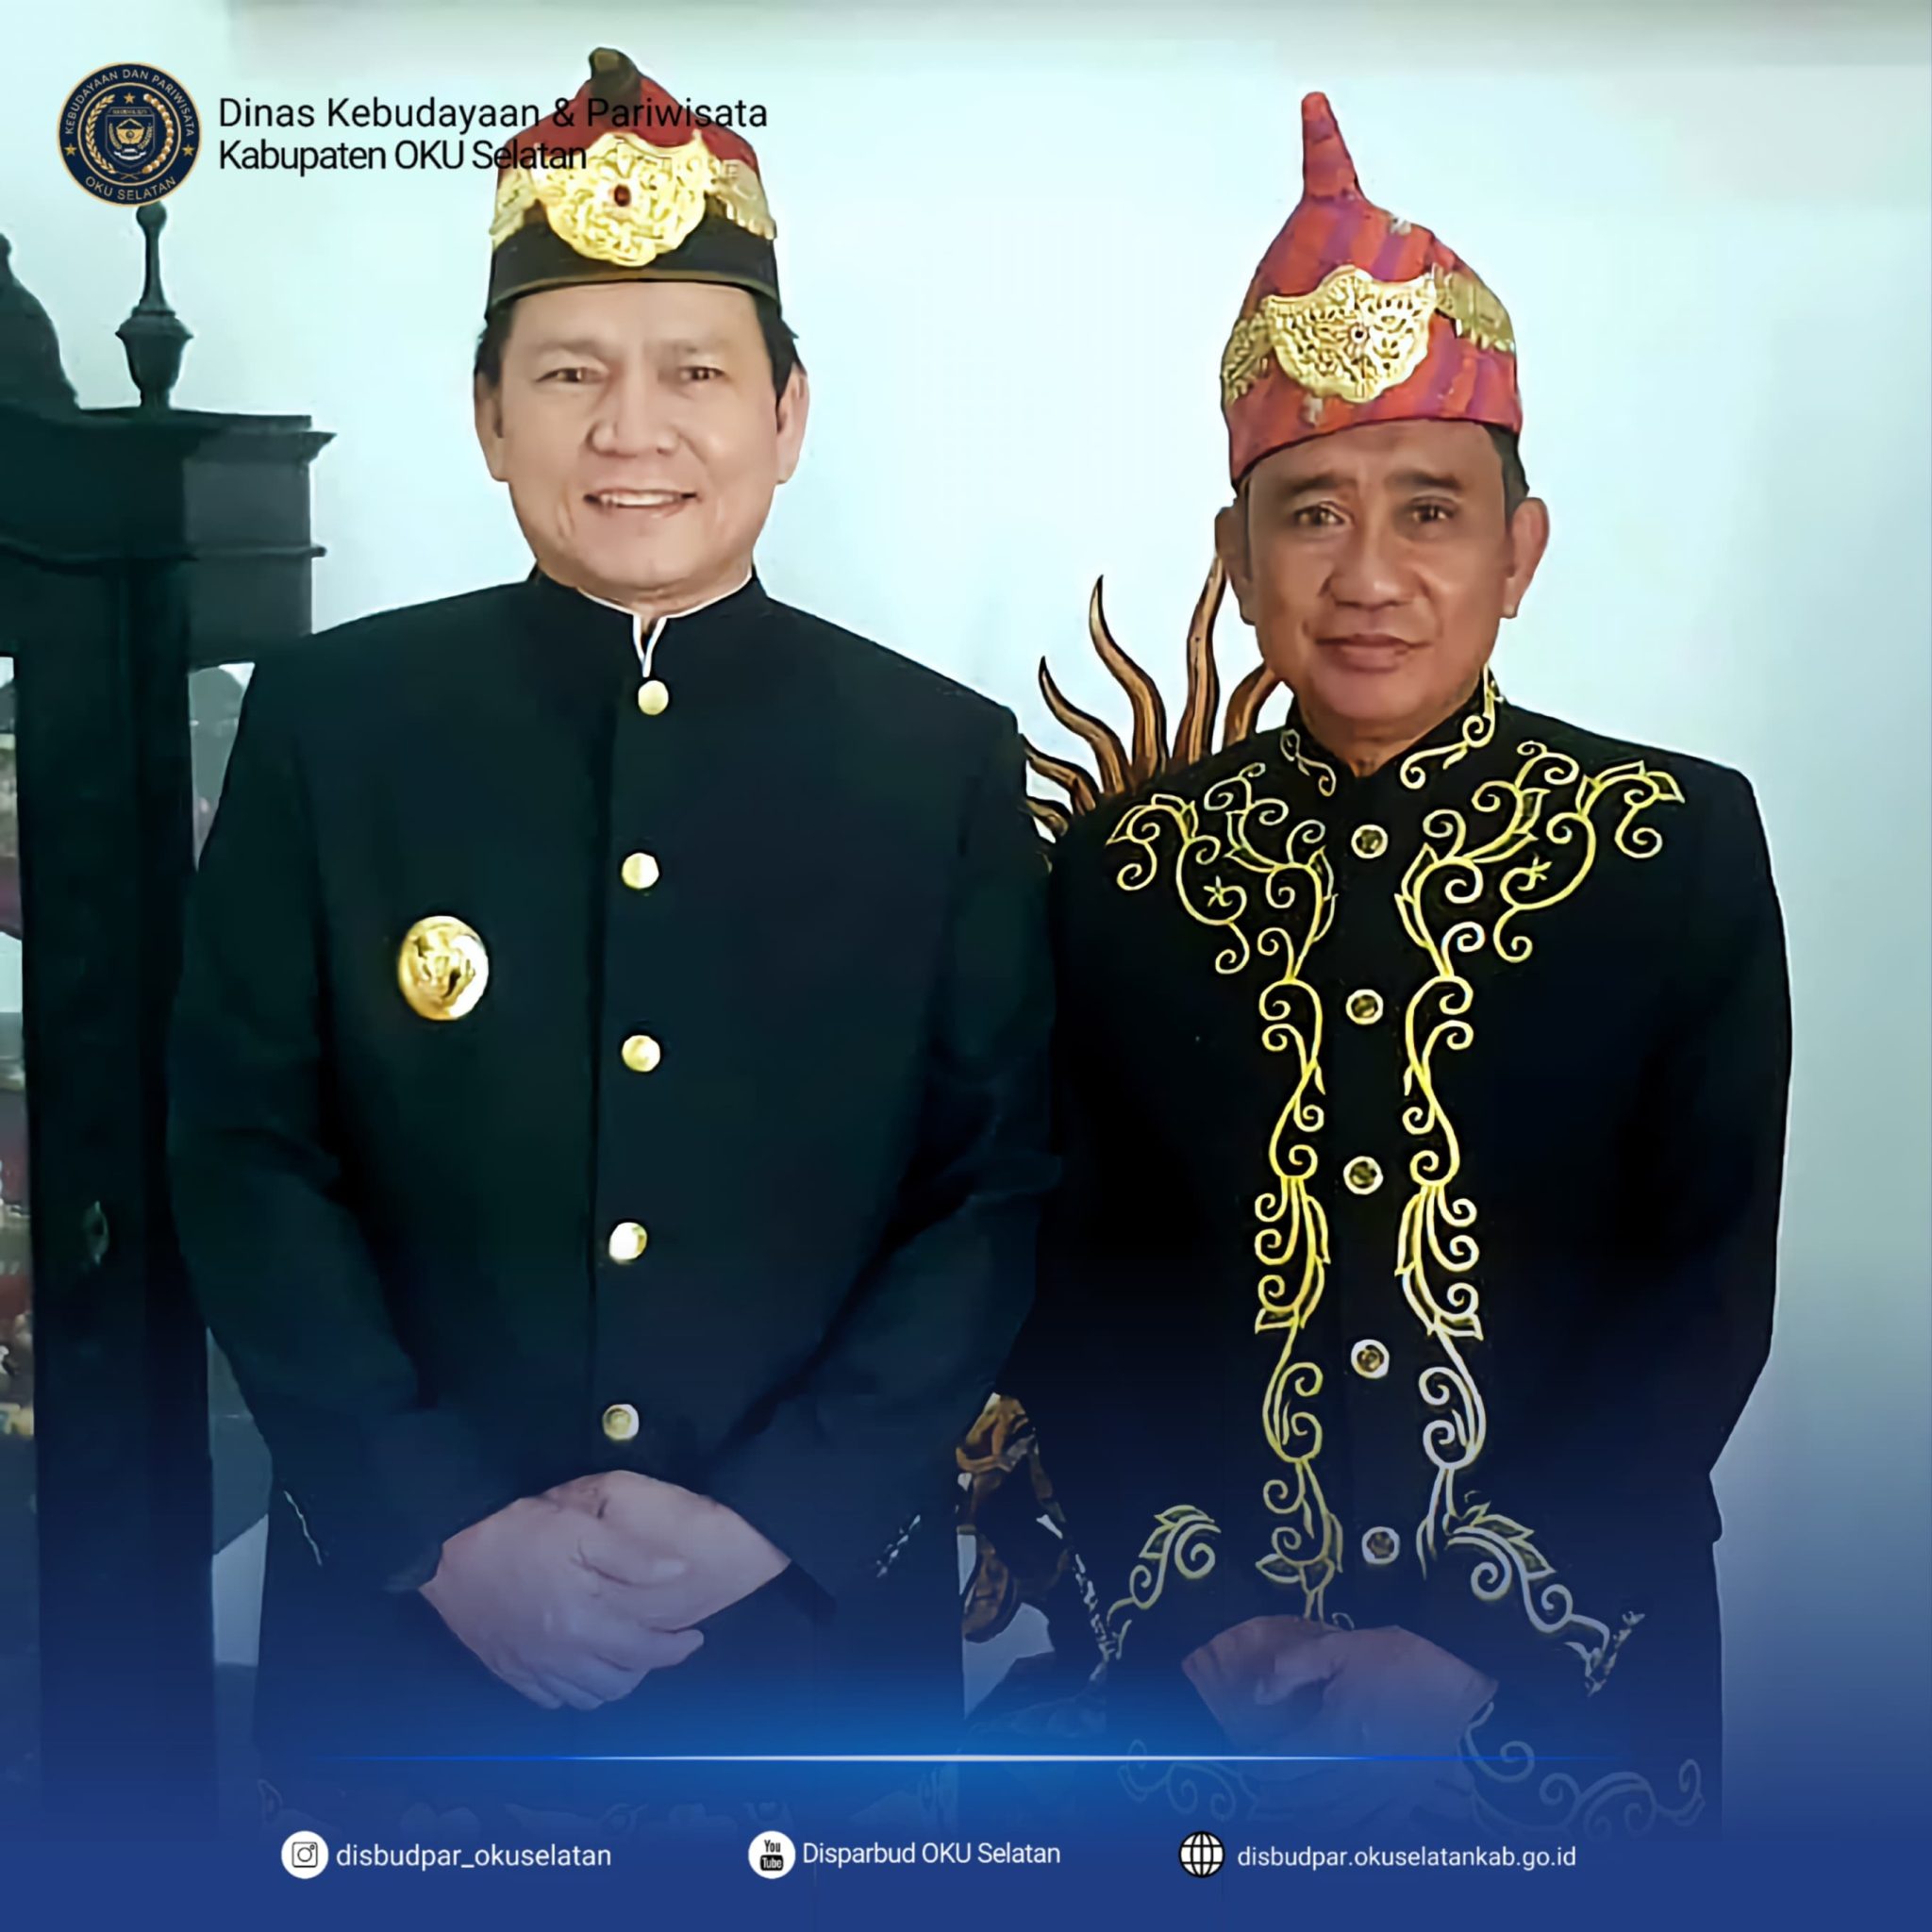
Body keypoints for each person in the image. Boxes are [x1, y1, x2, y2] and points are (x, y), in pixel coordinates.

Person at [169, 48, 1054, 1814]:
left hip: (805, 1659)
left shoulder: (936, 758)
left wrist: (769, 1522)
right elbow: (247, 1151)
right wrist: (441, 1532)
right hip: (409, 1654)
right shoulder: (336, 729)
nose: (631, 430)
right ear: (487, 414)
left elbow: (996, 1186)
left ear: (788, 415)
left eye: (695, 372)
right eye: (570, 371)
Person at [1007, 92, 1790, 1840]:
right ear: (1236, 561)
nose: (1369, 575)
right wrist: (1203, 1614)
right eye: (1311, 515)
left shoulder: (1671, 846)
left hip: (1572, 1700)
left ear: (1520, 552)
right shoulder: (1127, 874)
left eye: (1431, 510)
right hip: (1202, 1700)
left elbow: (1700, 1299)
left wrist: (1469, 1641)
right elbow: (1070, 1281)